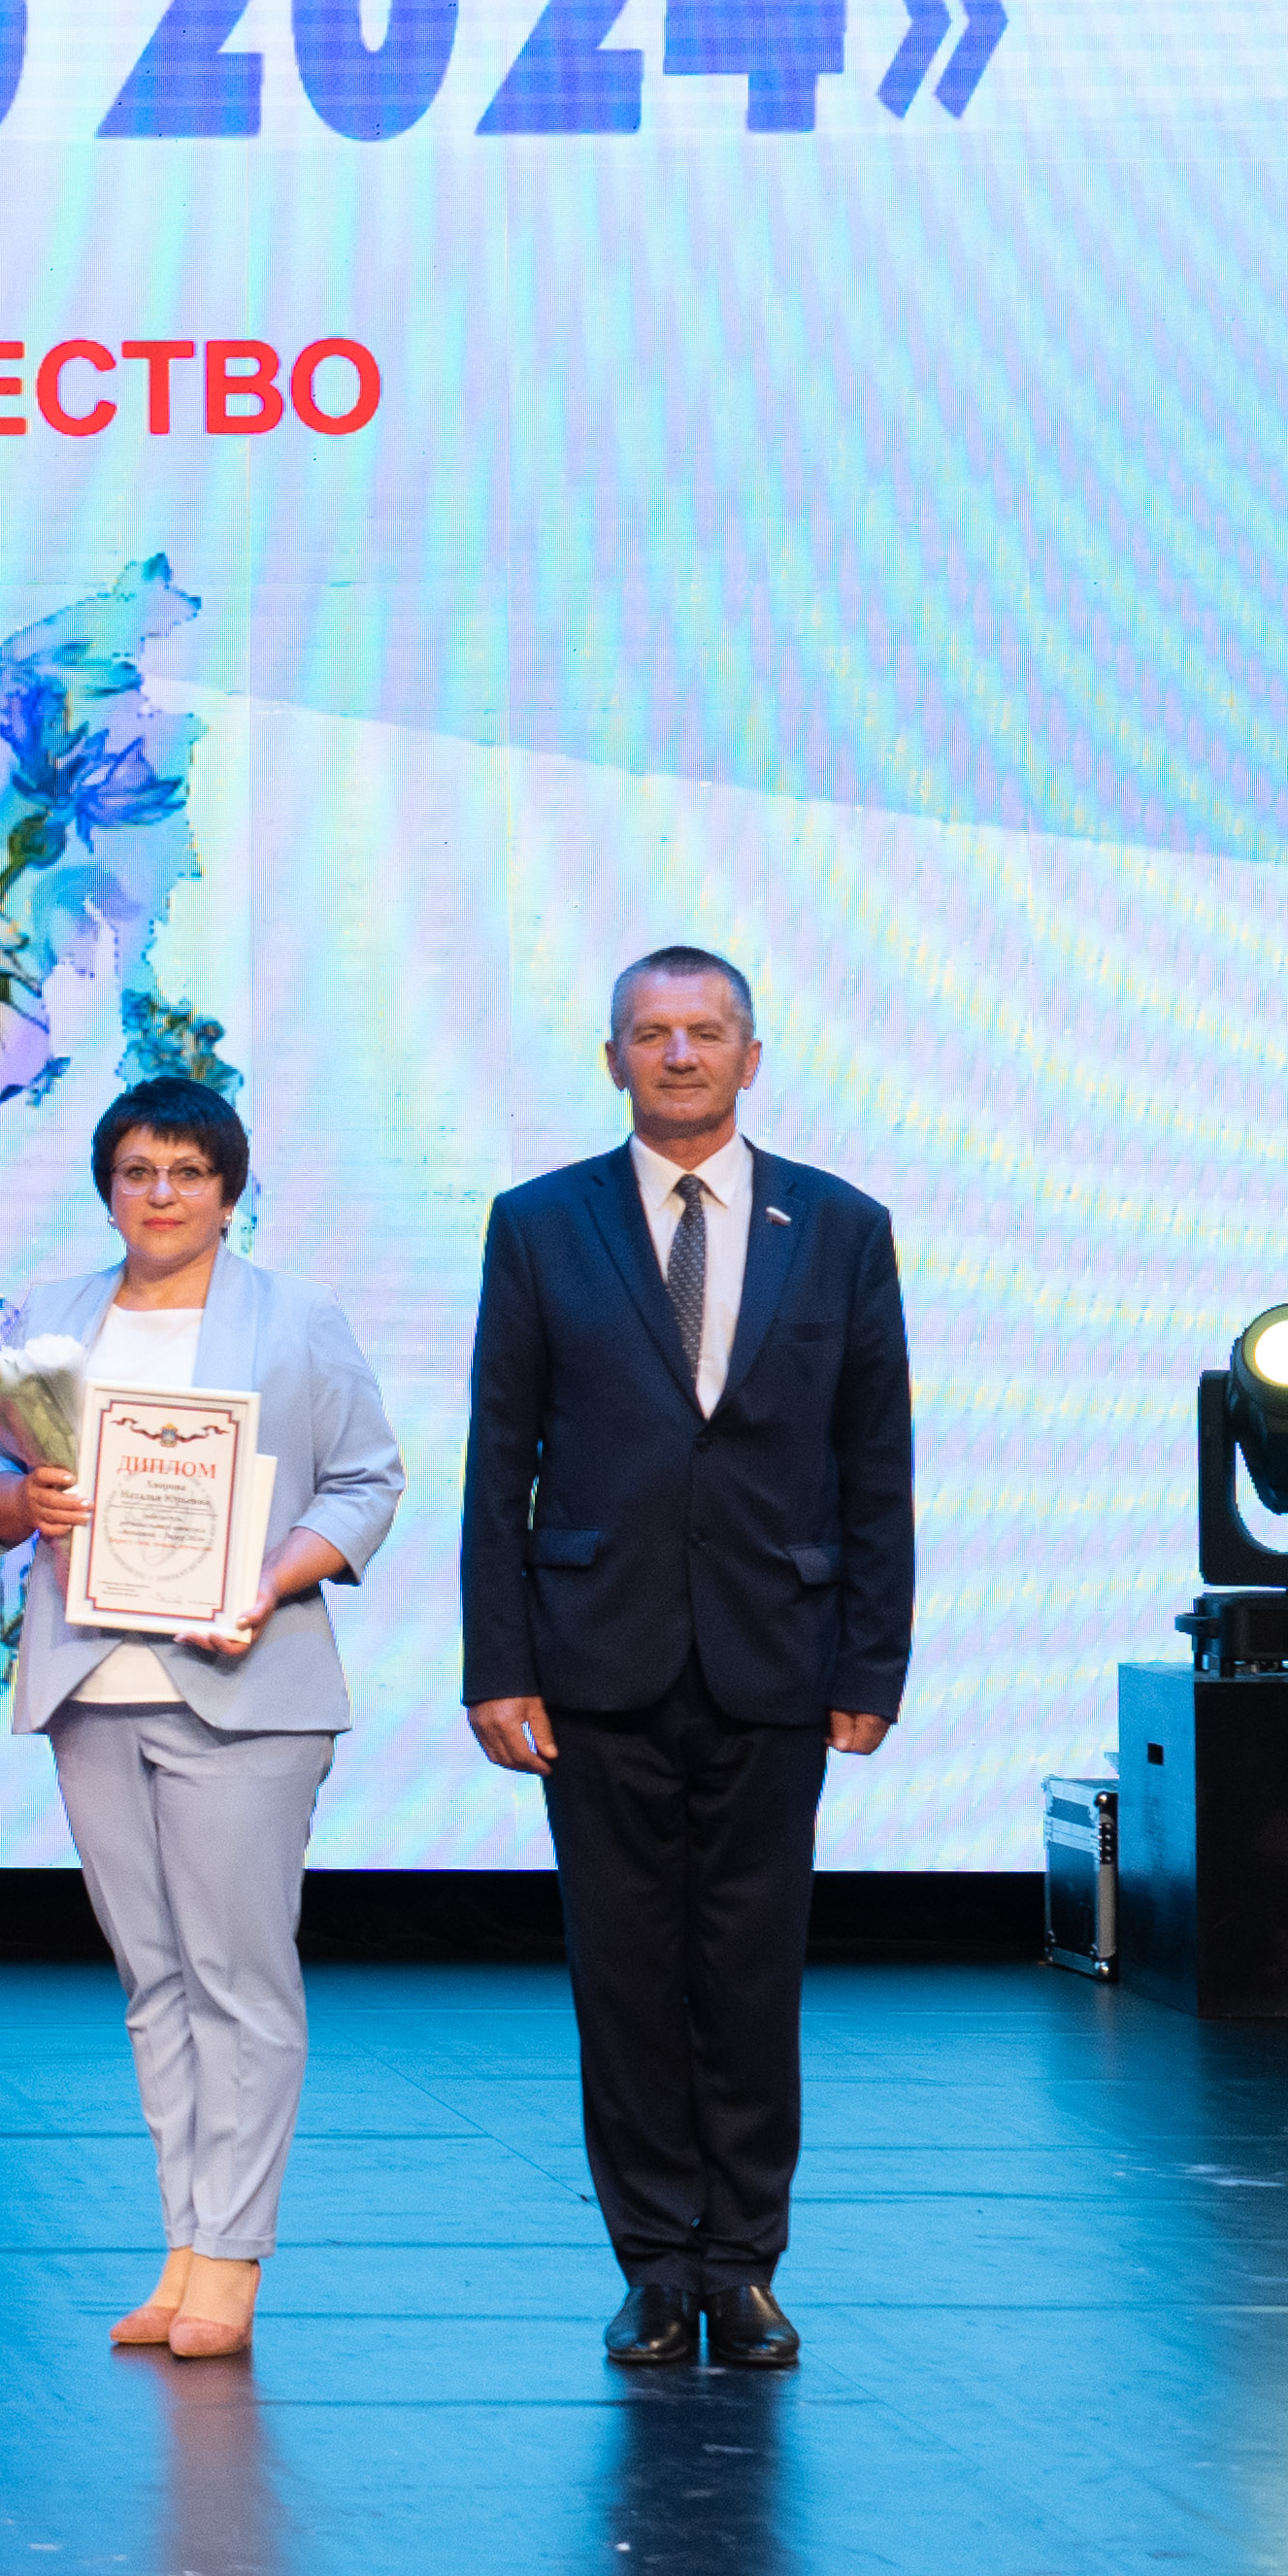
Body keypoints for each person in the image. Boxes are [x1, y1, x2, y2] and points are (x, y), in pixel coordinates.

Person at [461, 947, 911, 2374]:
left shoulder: (838, 1225)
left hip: (775, 1658)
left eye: (701, 1032)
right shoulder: (537, 1222)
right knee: (622, 1978)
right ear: (611, 1058)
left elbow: (874, 1464)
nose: (675, 1054)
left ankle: (746, 2265)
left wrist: (871, 1662)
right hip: (592, 1661)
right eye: (647, 1033)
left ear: (747, 1056)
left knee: (750, 1976)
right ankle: (654, 2267)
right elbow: (497, 1458)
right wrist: (493, 1663)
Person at [0, 1077, 407, 2364]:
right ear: (105, 1188)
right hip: (88, 1683)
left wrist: (265, 1579)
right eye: (135, 1171)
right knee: (153, 1981)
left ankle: (230, 2252)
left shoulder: (294, 1319)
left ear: (228, 1190)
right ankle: (182, 2240)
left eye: (187, 1172)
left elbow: (365, 1479)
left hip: (241, 1686)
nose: (159, 1194)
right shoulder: (47, 1315)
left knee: (236, 1978)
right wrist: (21, 1502)